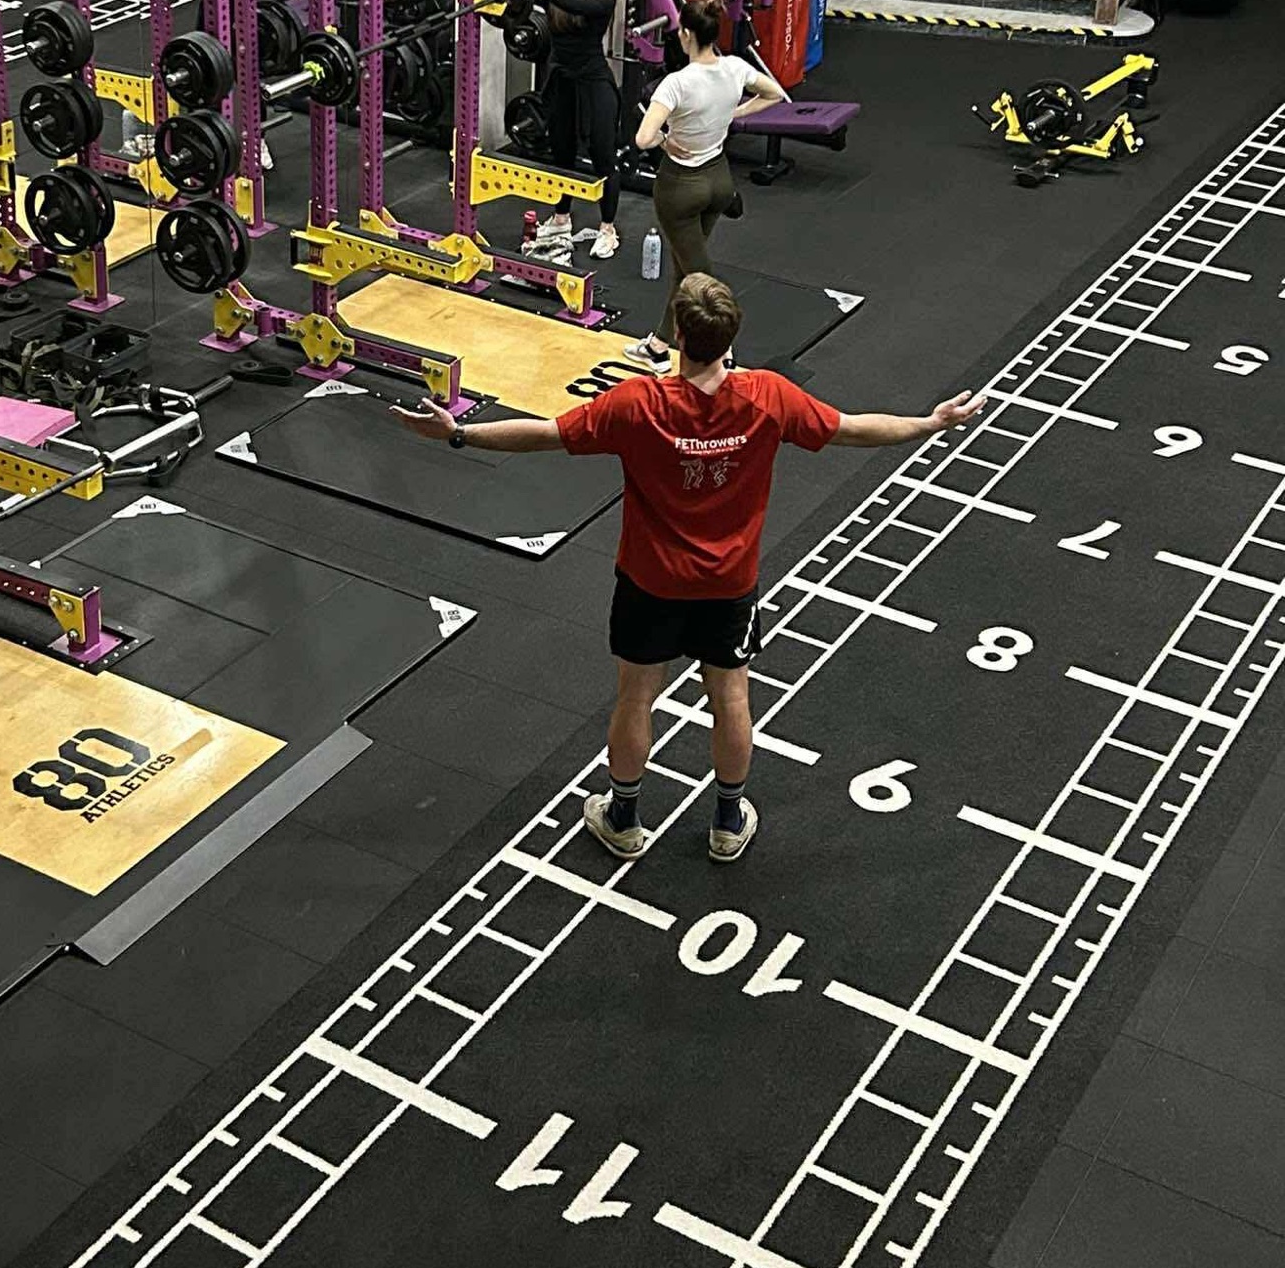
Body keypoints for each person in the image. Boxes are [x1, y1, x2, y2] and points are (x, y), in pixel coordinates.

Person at [395, 271, 985, 862]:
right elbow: (852, 429)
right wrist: (930, 423)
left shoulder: (637, 404)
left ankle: (623, 819)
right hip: (729, 586)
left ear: (678, 334)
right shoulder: (770, 396)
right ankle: (727, 823)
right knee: (731, 698)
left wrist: (458, 433)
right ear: (730, 338)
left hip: (649, 583)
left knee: (636, 698)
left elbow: (545, 434)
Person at [623, 0, 784, 373]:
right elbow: (774, 92)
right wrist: (735, 113)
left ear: (685, 34)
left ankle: (724, 348)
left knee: (699, 277)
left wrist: (666, 139)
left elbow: (643, 138)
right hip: (719, 182)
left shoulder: (676, 84)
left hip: (681, 189)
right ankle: (659, 345)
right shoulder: (735, 67)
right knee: (685, 267)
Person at [527, 0, 623, 260]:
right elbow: (522, 9)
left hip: (594, 81)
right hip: (562, 82)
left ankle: (608, 229)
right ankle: (561, 218)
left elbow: (580, 6)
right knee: (562, 152)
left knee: (602, 156)